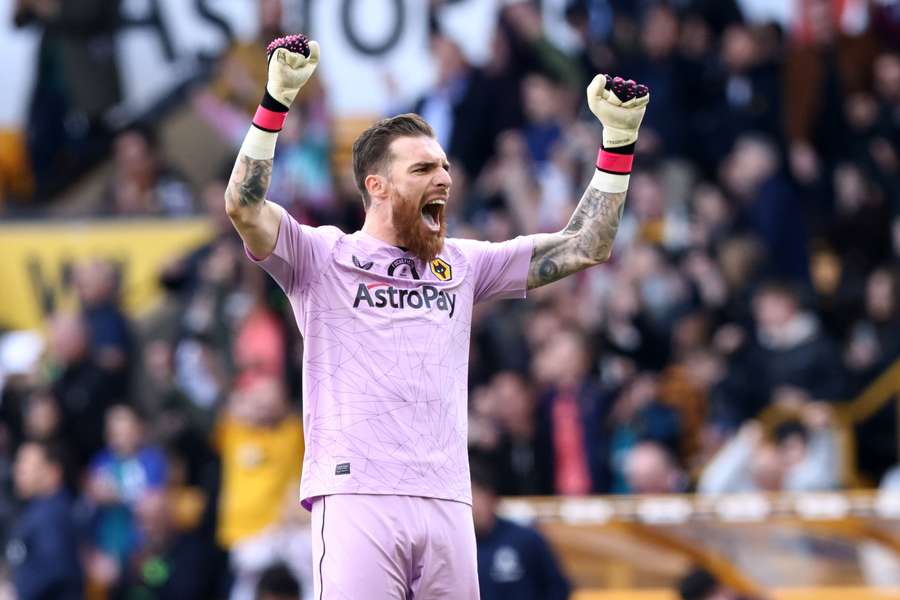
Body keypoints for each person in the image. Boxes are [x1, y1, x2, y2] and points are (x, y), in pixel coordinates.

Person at [223, 35, 649, 598]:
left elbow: (584, 246)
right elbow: (243, 206)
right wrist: (276, 101)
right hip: (359, 496)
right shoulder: (322, 257)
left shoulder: (463, 264)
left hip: (449, 500)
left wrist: (616, 145)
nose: (444, 179)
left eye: (445, 167)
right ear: (377, 186)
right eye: (424, 168)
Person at [471, 461, 571, 600]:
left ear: (490, 496)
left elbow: (559, 589)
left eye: (474, 497)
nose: (471, 507)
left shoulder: (526, 539)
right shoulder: (457, 550)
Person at [8, 440, 83, 600]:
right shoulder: (37, 507)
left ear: (53, 472)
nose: (18, 470)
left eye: (26, 464)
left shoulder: (54, 513)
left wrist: (16, 593)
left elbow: (54, 568)